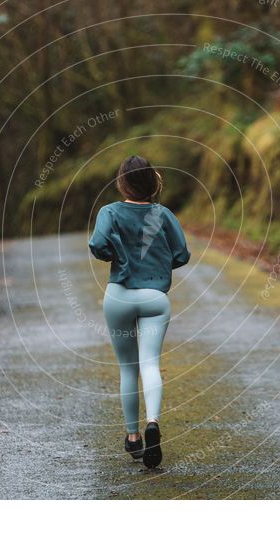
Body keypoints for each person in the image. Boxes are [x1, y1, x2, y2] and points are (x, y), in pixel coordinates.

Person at [88, 155, 191, 468]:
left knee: (127, 369)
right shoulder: (164, 214)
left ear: (122, 183)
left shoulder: (110, 211)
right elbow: (182, 255)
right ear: (153, 182)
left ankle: (133, 437)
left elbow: (97, 245)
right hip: (154, 299)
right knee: (150, 364)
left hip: (118, 297)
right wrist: (157, 266)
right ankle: (154, 423)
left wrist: (116, 253)